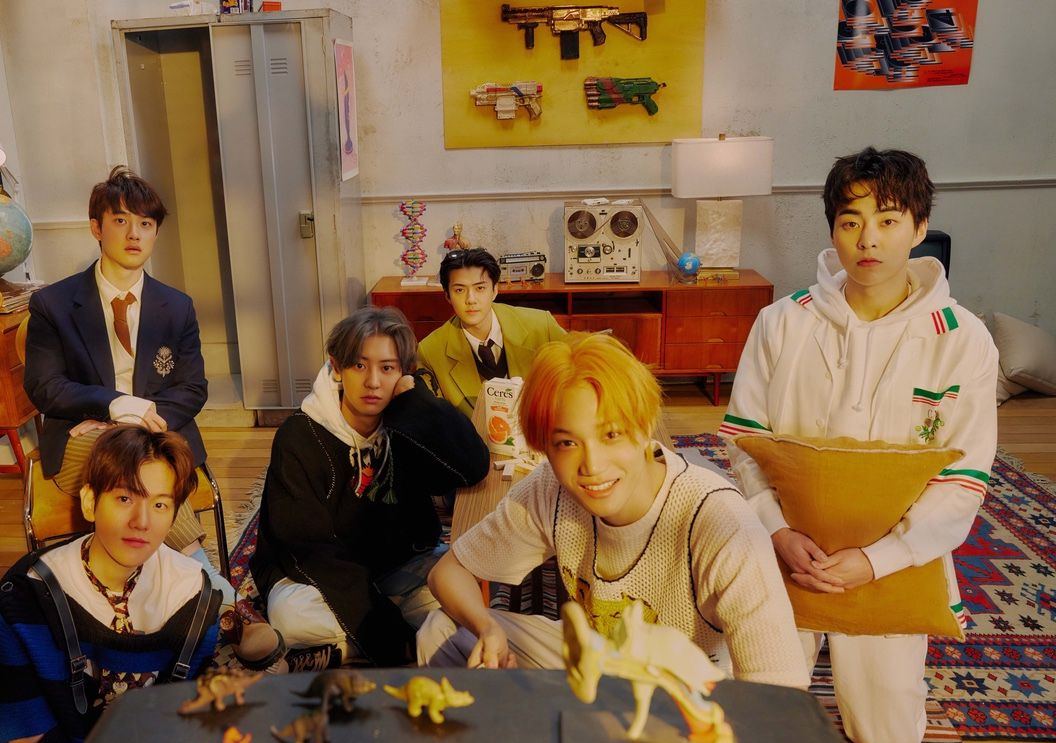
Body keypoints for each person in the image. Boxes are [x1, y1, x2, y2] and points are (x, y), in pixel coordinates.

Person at [720, 147, 997, 743]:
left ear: (920, 228)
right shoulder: (781, 322)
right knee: (755, 724)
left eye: (888, 220)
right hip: (786, 550)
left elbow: (964, 477)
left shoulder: (962, 339)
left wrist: (877, 559)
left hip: (891, 562)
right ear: (833, 231)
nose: (868, 239)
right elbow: (743, 440)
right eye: (851, 221)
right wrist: (776, 530)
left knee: (889, 741)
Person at [419, 333, 808, 692]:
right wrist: (487, 627)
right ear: (543, 447)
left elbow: (780, 691)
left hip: (683, 690)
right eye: (567, 443)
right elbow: (447, 572)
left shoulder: (721, 521)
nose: (592, 466)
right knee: (444, 630)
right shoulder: (550, 490)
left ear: (644, 425)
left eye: (611, 435)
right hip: (596, 662)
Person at [23, 166, 282, 669]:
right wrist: (114, 405)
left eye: (145, 224)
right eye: (120, 221)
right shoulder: (54, 304)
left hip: (157, 437)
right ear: (96, 227)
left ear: (156, 232)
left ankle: (169, 607)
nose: (134, 234)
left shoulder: (175, 306)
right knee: (143, 465)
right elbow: (45, 387)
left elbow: (193, 388)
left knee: (140, 459)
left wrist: (139, 423)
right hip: (81, 442)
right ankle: (230, 609)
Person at [0, 426, 222, 743]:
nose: (142, 521)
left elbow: (184, 722)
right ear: (90, 501)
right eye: (125, 498)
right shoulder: (20, 604)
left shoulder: (194, 597)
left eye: (160, 504)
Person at [253, 306, 490, 670]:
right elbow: (312, 553)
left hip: (397, 565)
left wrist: (417, 398)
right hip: (319, 576)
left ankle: (345, 648)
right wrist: (394, 640)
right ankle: (396, 632)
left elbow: (472, 467)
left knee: (466, 584)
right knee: (291, 619)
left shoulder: (405, 418)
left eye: (388, 368)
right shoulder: (299, 436)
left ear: (404, 372)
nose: (373, 382)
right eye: (359, 366)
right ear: (336, 367)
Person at [417, 248, 566, 417]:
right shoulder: (430, 351)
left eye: (480, 288)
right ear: (447, 296)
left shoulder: (542, 326)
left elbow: (580, 375)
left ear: (495, 290)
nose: (471, 299)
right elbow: (432, 419)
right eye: (459, 290)